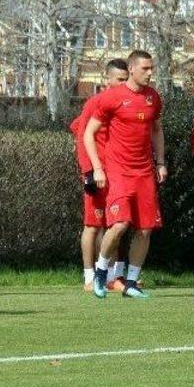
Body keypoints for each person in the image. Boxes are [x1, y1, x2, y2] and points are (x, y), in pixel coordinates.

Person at [83, 50, 166, 299]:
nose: (150, 73)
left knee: (145, 229)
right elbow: (88, 133)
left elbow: (157, 130)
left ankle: (131, 282)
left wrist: (161, 162)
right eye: (145, 68)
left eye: (151, 68)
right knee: (119, 225)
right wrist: (97, 168)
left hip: (144, 172)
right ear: (132, 69)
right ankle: (101, 272)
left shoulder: (153, 97)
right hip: (118, 171)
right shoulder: (112, 97)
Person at [71, 59, 129, 292]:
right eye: (120, 80)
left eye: (126, 79)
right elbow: (81, 134)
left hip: (118, 172)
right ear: (107, 79)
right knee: (93, 225)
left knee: (115, 224)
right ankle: (89, 277)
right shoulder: (96, 102)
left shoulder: (126, 104)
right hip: (97, 172)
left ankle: (112, 276)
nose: (124, 84)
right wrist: (89, 171)